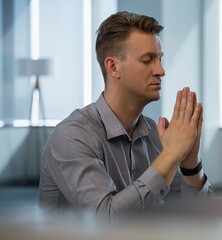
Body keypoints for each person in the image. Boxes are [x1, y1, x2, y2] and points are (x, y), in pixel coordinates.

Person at [39, 11, 212, 221]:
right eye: (148, 60)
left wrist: (190, 163)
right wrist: (171, 155)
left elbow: (198, 219)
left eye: (160, 58)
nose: (161, 70)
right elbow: (107, 221)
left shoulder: (154, 135)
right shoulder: (71, 136)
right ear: (113, 67)